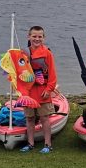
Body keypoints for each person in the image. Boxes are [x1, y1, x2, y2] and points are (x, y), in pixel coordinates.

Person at [20, 26, 58, 154]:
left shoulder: (47, 53)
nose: (37, 39)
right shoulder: (23, 53)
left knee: (44, 118)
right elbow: (18, 72)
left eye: (40, 37)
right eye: (34, 36)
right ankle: (30, 144)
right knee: (29, 118)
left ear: (44, 38)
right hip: (28, 92)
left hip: (43, 91)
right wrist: (22, 91)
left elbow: (52, 75)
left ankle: (48, 144)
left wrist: (49, 89)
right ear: (29, 37)